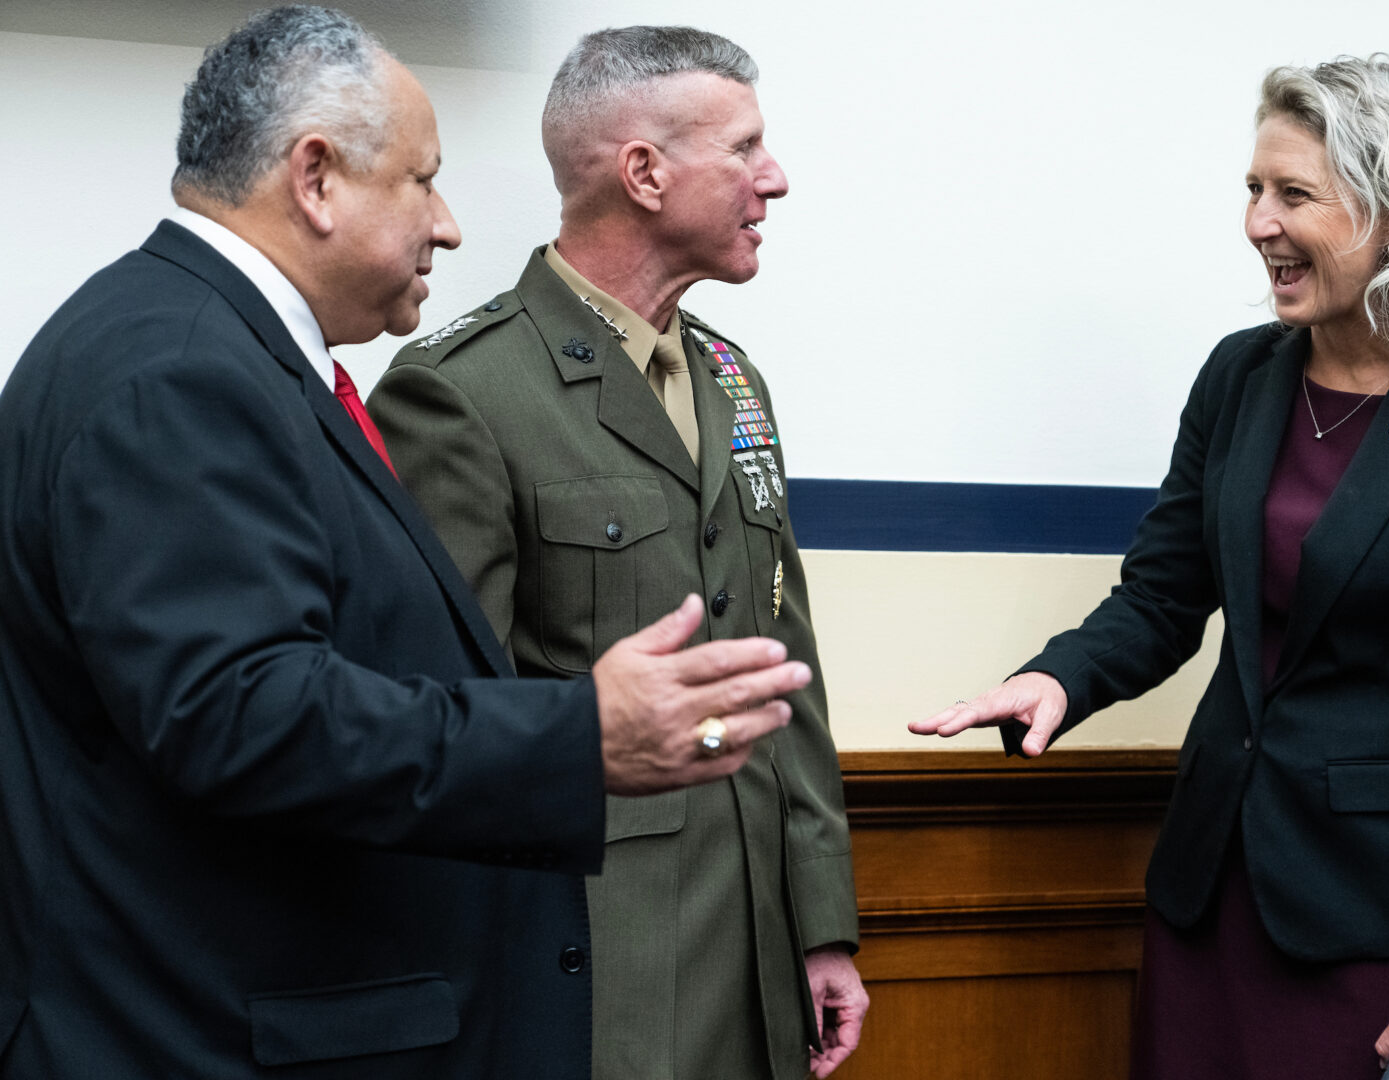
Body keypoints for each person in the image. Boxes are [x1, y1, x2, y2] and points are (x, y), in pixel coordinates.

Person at [0, 8, 813, 1077]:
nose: (449, 226)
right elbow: (238, 713)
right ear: (317, 178)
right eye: (422, 182)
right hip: (195, 1032)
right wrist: (580, 736)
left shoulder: (213, 350)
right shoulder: (181, 371)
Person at [911, 54, 1389, 1080]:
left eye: (1293, 194)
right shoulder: (1240, 376)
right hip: (1210, 896)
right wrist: (1060, 677)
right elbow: (1165, 595)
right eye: (1254, 191)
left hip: (1372, 923)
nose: (1259, 222)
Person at [368, 25, 867, 1080]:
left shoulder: (735, 381)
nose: (773, 180)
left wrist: (821, 922)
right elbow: (445, 720)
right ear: (644, 172)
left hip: (758, 943)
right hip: (597, 950)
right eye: (743, 149)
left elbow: (785, 661)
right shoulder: (460, 392)